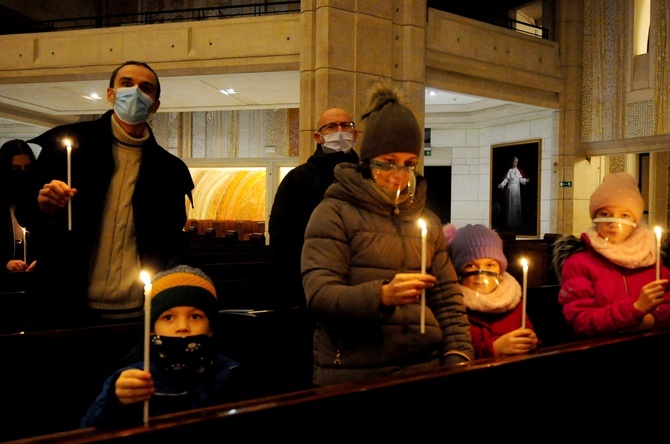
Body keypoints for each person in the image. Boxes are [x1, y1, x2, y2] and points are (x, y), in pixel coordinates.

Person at [301, 84, 474, 387]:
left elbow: (447, 300)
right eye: (388, 163)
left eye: (409, 165)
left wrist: (459, 354)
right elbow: (320, 295)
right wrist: (381, 296)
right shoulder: (334, 213)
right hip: (356, 371)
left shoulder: (427, 222)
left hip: (425, 366)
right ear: (368, 163)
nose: (399, 176)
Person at [18, 61, 194, 326]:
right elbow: (26, 213)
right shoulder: (67, 146)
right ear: (110, 93)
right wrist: (44, 208)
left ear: (155, 105)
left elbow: (171, 242)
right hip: (65, 303)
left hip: (137, 309)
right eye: (126, 84)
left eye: (145, 88)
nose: (135, 92)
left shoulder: (169, 169)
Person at [80, 265, 243, 429]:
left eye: (195, 316)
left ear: (210, 328)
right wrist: (115, 399)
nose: (182, 327)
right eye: (168, 317)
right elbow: (89, 428)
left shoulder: (230, 371)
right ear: (151, 331)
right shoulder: (137, 377)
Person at [551, 172, 670, 339]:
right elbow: (582, 321)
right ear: (595, 217)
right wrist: (635, 310)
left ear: (635, 220)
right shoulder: (579, 263)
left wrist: (653, 319)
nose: (614, 222)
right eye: (605, 214)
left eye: (624, 215)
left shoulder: (650, 258)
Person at [269, 107, 360, 310]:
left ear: (354, 134)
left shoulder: (368, 176)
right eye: (331, 126)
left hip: (359, 279)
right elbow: (281, 235)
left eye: (345, 125)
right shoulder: (298, 178)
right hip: (307, 280)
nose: (340, 130)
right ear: (318, 137)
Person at [444, 223, 539, 358]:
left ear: (500, 268)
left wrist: (531, 342)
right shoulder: (451, 306)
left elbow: (535, 345)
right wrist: (494, 348)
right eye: (471, 265)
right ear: (458, 270)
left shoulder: (513, 301)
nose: (481, 274)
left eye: (490, 265)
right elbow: (451, 354)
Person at [0, 139, 37, 272]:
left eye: (27, 168)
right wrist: (5, 262)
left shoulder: (37, 197)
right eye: (16, 168)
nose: (23, 173)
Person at [497, 156, 530, 229]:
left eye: (516, 162)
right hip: (510, 190)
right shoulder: (509, 170)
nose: (515, 163)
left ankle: (517, 224)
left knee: (516, 206)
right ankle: (510, 224)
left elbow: (520, 179)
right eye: (514, 162)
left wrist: (526, 180)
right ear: (512, 162)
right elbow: (506, 180)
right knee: (511, 207)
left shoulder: (518, 170)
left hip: (517, 190)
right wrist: (501, 185)